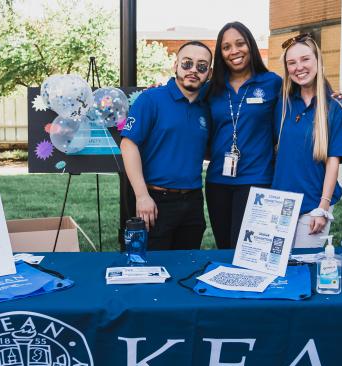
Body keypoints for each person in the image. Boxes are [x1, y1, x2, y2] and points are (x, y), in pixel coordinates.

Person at [120, 41, 212, 250]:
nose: (193, 71)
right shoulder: (151, 99)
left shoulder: (206, 108)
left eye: (201, 66)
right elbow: (128, 144)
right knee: (152, 270)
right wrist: (142, 196)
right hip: (155, 200)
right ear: (175, 65)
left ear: (209, 72)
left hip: (193, 201)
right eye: (187, 63)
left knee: (186, 268)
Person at [205, 22, 282, 249]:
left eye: (240, 43)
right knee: (224, 248)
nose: (234, 51)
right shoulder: (211, 89)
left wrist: (331, 95)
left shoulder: (272, 83)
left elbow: (305, 94)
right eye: (226, 47)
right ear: (220, 54)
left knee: (248, 250)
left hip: (257, 179)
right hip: (217, 181)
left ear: (250, 45)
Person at [272, 33, 342, 248]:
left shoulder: (337, 108)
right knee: (277, 272)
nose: (299, 67)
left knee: (304, 270)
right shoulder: (282, 104)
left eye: (305, 59)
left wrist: (323, 207)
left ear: (318, 60)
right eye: (292, 62)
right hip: (279, 206)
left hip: (312, 206)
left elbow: (333, 161)